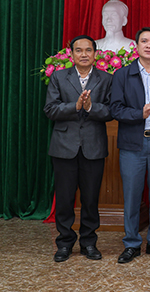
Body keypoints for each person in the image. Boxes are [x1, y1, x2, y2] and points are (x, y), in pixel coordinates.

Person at [43, 35, 113, 262]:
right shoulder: (59, 77)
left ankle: (89, 243)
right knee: (65, 199)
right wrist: (75, 106)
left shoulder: (106, 79)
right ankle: (64, 243)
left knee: (90, 199)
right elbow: (50, 110)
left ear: (95, 54)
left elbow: (111, 111)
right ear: (71, 54)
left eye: (88, 50)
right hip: (64, 147)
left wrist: (91, 107)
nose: (84, 54)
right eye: (79, 50)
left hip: (93, 147)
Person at [110, 27, 150, 264]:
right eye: (144, 41)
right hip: (132, 145)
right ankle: (131, 244)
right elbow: (115, 109)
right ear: (136, 46)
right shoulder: (122, 74)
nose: (149, 45)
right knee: (132, 196)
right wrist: (141, 113)